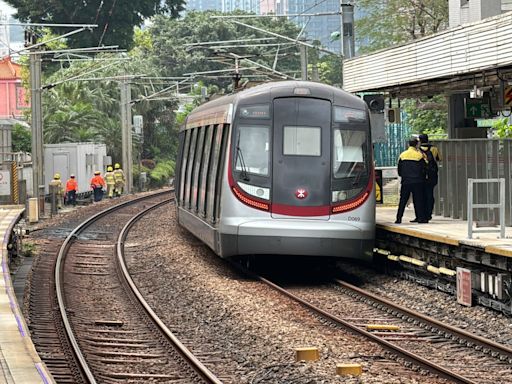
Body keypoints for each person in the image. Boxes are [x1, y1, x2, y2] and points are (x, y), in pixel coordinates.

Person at [395, 138, 428, 224]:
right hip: (418, 181)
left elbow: (399, 170)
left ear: (408, 144)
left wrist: (404, 176)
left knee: (403, 200)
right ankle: (420, 218)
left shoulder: (402, 155)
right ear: (417, 145)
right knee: (418, 200)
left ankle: (398, 218)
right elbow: (424, 168)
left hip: (406, 181)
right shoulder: (420, 155)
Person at [420, 142, 438, 220]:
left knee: (421, 196)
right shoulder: (434, 149)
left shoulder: (417, 151)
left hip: (421, 178)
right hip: (432, 177)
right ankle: (429, 213)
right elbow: (439, 158)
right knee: (430, 194)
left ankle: (422, 214)